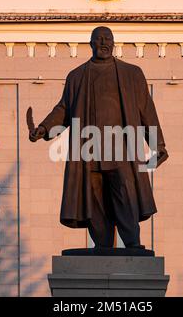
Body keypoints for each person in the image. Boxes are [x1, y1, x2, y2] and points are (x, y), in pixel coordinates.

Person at [28, 26, 168, 249]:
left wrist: (157, 143)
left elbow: (146, 110)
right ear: (90, 43)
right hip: (88, 149)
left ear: (114, 43)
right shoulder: (77, 76)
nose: (103, 43)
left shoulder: (132, 74)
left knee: (126, 196)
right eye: (98, 39)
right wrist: (44, 129)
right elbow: (64, 109)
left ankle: (132, 244)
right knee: (94, 201)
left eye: (107, 39)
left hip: (121, 147)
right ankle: (102, 246)